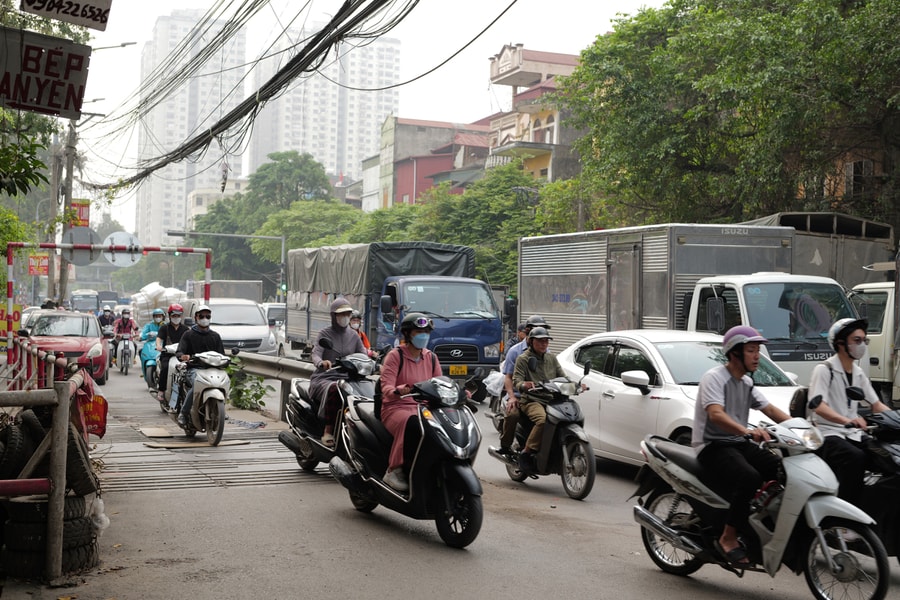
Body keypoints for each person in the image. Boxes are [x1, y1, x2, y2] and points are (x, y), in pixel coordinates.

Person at [693, 325, 791, 564]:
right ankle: (728, 537)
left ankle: (756, 521)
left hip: (737, 443)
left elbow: (769, 409)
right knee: (748, 477)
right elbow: (716, 414)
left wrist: (803, 428)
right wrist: (745, 430)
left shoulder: (746, 382)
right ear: (735, 353)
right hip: (712, 445)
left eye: (758, 350)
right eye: (751, 350)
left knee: (781, 469)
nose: (758, 356)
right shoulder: (714, 378)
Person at [809, 318, 889, 506]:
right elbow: (818, 406)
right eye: (857, 340)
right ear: (840, 343)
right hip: (828, 434)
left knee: (888, 456)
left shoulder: (858, 372)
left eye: (864, 341)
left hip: (853, 434)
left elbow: (876, 404)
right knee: (855, 458)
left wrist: (896, 418)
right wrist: (846, 420)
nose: (862, 345)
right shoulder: (824, 370)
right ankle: (844, 514)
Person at [378, 312, 442, 492]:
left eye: (426, 332)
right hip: (396, 407)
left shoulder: (431, 357)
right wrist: (397, 390)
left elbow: (439, 383)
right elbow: (387, 387)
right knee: (412, 423)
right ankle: (395, 470)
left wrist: (459, 393)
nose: (423, 336)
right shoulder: (395, 356)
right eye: (418, 332)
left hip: (424, 408)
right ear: (407, 334)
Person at [512, 326, 579, 475]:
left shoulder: (551, 358)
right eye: (540, 341)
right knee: (542, 420)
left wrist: (576, 385)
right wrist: (524, 385)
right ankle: (526, 451)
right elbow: (516, 380)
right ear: (531, 341)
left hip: (552, 399)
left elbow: (563, 377)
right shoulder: (523, 359)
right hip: (531, 400)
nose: (544, 344)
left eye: (546, 341)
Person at [309, 298, 366, 447]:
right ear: (333, 316)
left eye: (348, 313)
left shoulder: (354, 335)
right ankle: (328, 430)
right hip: (325, 377)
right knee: (336, 388)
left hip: (348, 377)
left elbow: (363, 354)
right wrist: (321, 363)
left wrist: (374, 363)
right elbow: (315, 354)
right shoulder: (324, 334)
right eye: (341, 314)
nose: (345, 317)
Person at [497, 315, 551, 456]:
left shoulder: (546, 352)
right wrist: (512, 397)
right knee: (513, 414)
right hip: (520, 396)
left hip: (540, 395)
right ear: (528, 331)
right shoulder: (515, 352)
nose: (542, 334)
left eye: (544, 330)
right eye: (537, 330)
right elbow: (508, 377)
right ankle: (506, 446)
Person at [175, 304, 225, 427]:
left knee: (225, 381)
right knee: (196, 386)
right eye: (201, 316)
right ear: (196, 317)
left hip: (213, 370)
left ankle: (222, 410)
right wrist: (183, 356)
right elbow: (179, 352)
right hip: (194, 369)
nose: (205, 318)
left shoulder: (215, 336)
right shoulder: (188, 334)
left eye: (207, 316)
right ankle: (184, 413)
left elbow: (221, 354)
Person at [155, 304, 188, 404]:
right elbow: (159, 338)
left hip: (181, 356)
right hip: (167, 355)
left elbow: (190, 340)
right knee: (165, 367)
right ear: (169, 316)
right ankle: (161, 391)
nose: (176, 318)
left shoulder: (186, 329)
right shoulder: (164, 328)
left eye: (178, 316)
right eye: (174, 316)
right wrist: (159, 346)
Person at [139, 308, 165, 385]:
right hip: (150, 343)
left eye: (159, 316)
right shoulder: (149, 325)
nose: (158, 318)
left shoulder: (165, 325)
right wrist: (146, 335)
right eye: (156, 316)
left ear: (163, 317)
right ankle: (144, 370)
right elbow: (143, 334)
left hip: (163, 344)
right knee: (141, 351)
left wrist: (157, 334)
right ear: (153, 317)